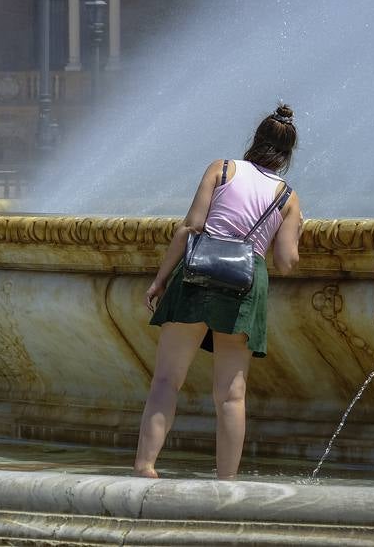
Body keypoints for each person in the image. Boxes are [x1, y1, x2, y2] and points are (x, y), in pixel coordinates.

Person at [133, 104, 303, 480]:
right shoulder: (287, 197)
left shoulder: (221, 168)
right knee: (230, 394)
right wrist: (297, 226)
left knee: (166, 380)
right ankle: (225, 481)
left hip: (198, 270)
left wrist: (160, 280)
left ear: (256, 140)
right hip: (244, 281)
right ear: (287, 156)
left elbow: (190, 227)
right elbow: (286, 262)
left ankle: (146, 466)